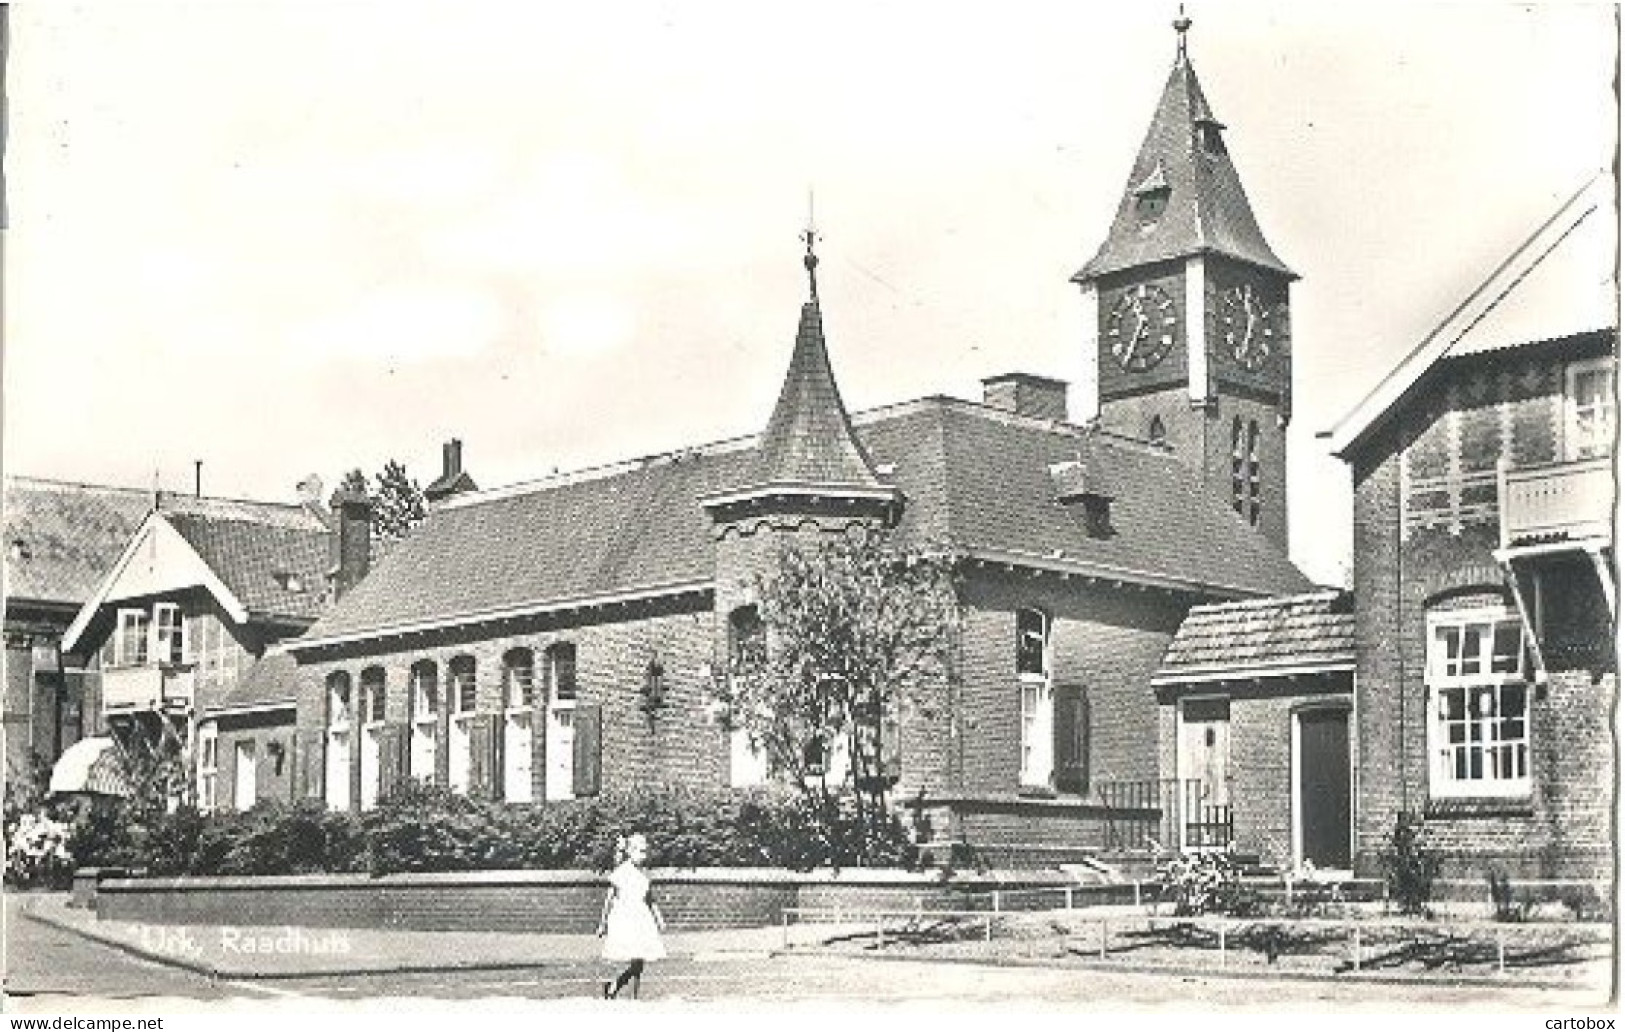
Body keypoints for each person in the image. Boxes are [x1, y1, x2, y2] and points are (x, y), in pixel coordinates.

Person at [597, 832, 666, 999]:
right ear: (630, 852)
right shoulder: (621, 872)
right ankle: (618, 985)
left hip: (642, 918)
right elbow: (609, 898)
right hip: (625, 919)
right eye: (640, 852)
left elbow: (650, 900)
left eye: (645, 852)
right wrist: (603, 922)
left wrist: (659, 919)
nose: (643, 856)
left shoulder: (643, 875)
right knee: (633, 957)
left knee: (640, 960)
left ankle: (629, 992)